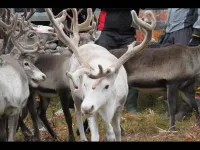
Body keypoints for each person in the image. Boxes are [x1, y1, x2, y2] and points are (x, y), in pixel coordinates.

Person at [93, 8, 145, 115]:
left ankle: (131, 107)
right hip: (106, 31)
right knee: (101, 66)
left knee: (131, 67)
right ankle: (98, 102)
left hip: (128, 33)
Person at [160, 8, 200, 120]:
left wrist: (197, 32)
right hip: (169, 32)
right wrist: (165, 30)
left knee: (185, 72)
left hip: (184, 29)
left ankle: (186, 110)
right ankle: (170, 108)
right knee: (164, 70)